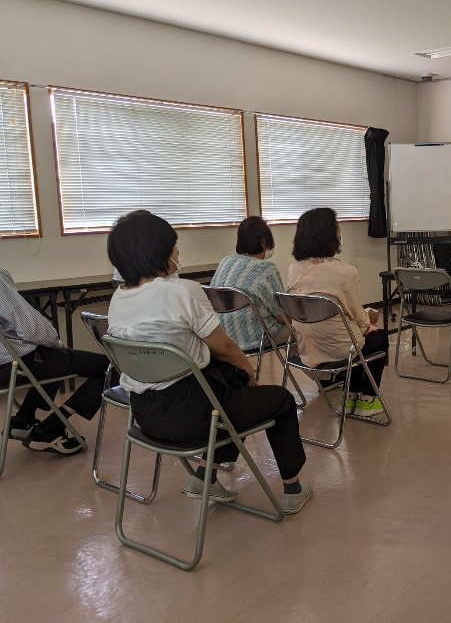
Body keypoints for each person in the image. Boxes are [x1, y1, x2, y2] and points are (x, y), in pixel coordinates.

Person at [106, 211, 312, 514]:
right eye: (174, 245)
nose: (177, 252)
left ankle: (205, 477)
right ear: (158, 251)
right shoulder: (180, 290)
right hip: (195, 415)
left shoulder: (118, 299)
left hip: (145, 414)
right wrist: (248, 370)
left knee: (229, 391)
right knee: (279, 400)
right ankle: (293, 490)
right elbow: (226, 348)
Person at [0, 267, 114, 454]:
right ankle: (51, 427)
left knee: (52, 358)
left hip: (8, 366)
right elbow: (32, 328)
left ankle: (24, 419)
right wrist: (56, 343)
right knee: (109, 367)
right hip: (15, 363)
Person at [287, 207, 387, 416]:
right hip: (339, 349)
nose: (340, 233)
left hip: (305, 348)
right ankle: (366, 401)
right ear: (330, 235)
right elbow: (359, 319)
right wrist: (370, 318)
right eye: (337, 228)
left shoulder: (294, 268)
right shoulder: (345, 272)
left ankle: (349, 397)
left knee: (359, 337)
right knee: (376, 337)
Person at [211, 216, 290, 352]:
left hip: (224, 336)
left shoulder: (226, 262)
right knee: (303, 332)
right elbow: (282, 316)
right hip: (256, 338)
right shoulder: (266, 269)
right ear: (264, 242)